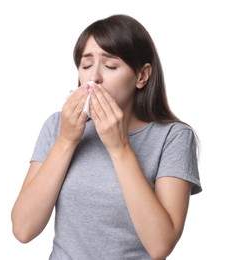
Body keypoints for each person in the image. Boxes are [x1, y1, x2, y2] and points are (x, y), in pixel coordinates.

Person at [11, 14, 202, 260]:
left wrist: (120, 148)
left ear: (142, 76)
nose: (94, 78)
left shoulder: (174, 137)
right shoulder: (57, 126)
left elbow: (160, 246)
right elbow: (23, 230)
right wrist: (66, 141)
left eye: (110, 66)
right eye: (86, 65)